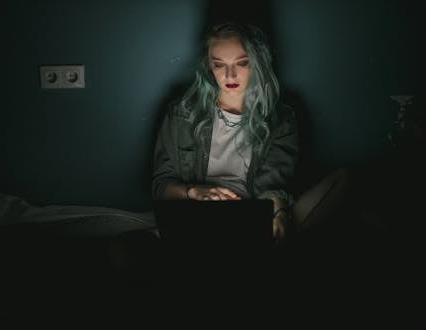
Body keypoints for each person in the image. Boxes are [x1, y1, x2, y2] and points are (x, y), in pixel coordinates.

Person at [151, 21, 352, 247]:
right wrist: (195, 192)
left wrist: (278, 215)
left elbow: (272, 185)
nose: (230, 75)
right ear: (209, 66)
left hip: (252, 216)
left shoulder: (280, 119)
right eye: (219, 65)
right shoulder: (182, 114)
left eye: (242, 63)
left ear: (256, 63)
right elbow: (161, 186)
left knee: (345, 179)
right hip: (196, 216)